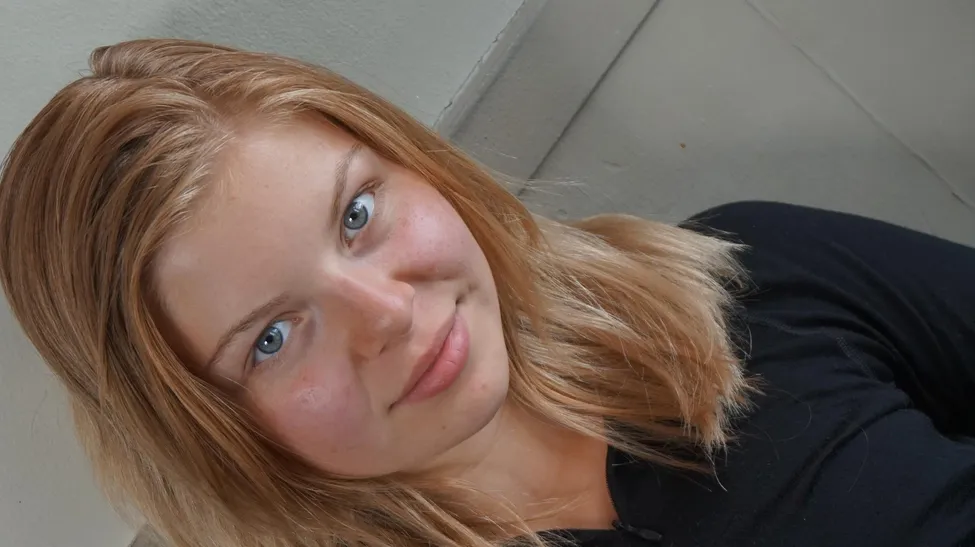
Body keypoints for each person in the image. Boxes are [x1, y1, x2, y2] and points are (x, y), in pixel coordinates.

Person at [0, 39, 971, 547]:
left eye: (356, 214)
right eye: (273, 337)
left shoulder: (754, 277)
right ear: (209, 431)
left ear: (416, 163)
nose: (388, 314)